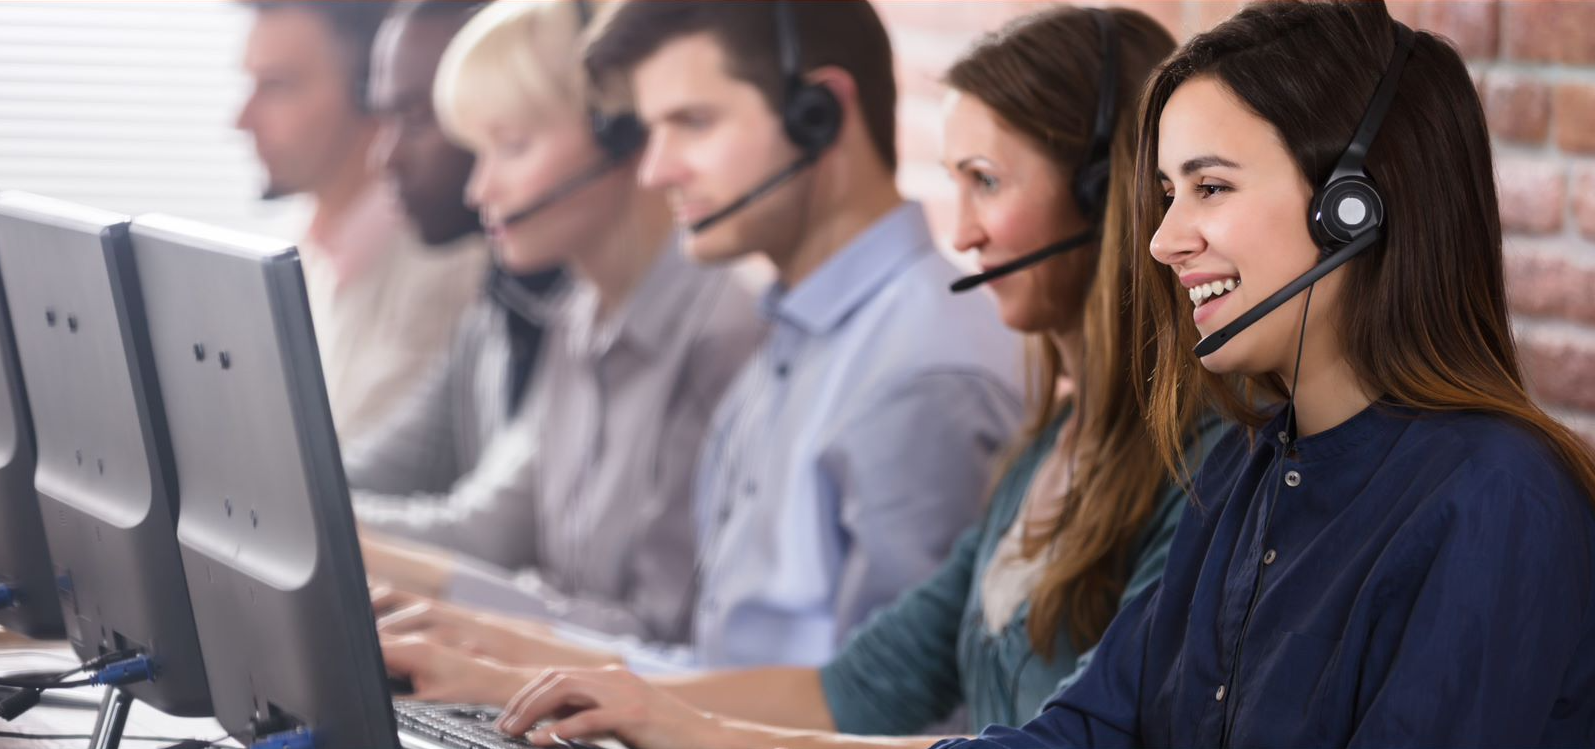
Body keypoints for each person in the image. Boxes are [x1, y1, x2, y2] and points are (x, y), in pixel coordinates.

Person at [377, 12, 1227, 748]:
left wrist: (665, 719)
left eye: (985, 183)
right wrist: (498, 662)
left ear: (1101, 194)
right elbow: (855, 684)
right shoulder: (1045, 445)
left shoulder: (941, 377)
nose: (960, 231)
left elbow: (988, 730)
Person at [850, 1, 1595, 746]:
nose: (1161, 241)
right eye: (1168, 195)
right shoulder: (1242, 470)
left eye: (1209, 188)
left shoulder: (1498, 496)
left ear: (1353, 208)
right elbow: (1086, 728)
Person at [375, 0, 1026, 673]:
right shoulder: (791, 343)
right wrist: (486, 646)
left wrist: (499, 655)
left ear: (819, 114)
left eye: (693, 122)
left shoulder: (921, 371)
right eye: (653, 130)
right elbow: (715, 670)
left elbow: (878, 716)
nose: (655, 170)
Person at [355, 0, 765, 647]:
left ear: (621, 135)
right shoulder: (578, 316)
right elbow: (506, 534)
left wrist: (461, 622)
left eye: (511, 147)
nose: (478, 189)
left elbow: (666, 638)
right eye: (478, 150)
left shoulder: (723, 335)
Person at [343, 0, 568, 501]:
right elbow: (381, 467)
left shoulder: (582, 317)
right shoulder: (497, 304)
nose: (385, 157)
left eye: (418, 118)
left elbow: (492, 532)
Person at [235, 0, 485, 444]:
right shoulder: (305, 247)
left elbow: (335, 472)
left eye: (277, 87)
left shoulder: (447, 273)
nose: (243, 120)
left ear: (370, 91)